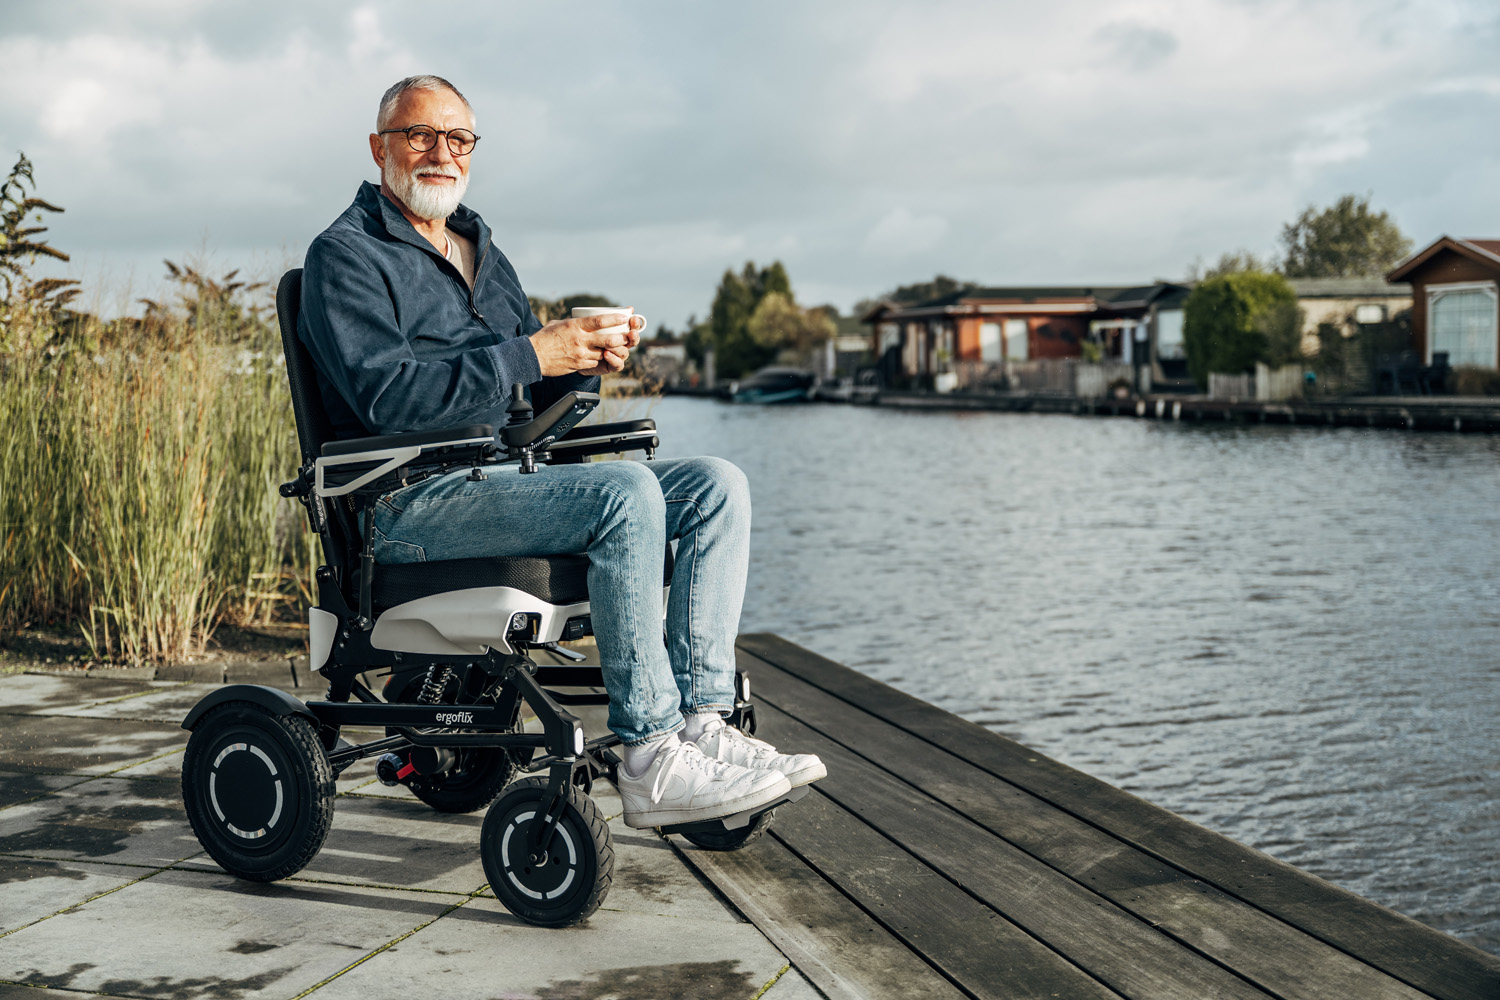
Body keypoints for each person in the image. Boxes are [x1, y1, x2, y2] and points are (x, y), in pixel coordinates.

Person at [298, 75, 824, 829]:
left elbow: (523, 404)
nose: (441, 153)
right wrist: (531, 354)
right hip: (407, 501)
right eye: (420, 135)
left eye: (459, 139)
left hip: (505, 480)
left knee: (716, 483)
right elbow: (388, 399)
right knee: (625, 495)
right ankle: (648, 755)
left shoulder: (482, 249)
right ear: (380, 147)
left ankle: (702, 725)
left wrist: (579, 363)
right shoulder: (344, 256)